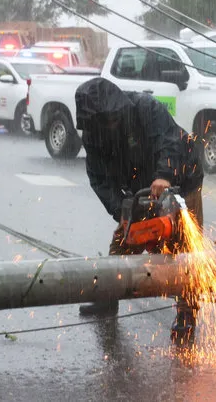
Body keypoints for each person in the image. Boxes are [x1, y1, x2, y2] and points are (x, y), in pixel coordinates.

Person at [75, 77, 204, 315]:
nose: (112, 124)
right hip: (140, 186)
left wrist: (165, 175)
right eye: (106, 121)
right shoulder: (94, 135)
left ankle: (187, 312)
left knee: (183, 248)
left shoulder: (146, 107)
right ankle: (107, 298)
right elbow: (99, 179)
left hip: (181, 176)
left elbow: (169, 140)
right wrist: (121, 211)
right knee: (121, 245)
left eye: (114, 119)